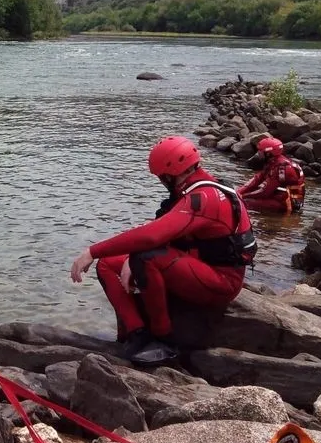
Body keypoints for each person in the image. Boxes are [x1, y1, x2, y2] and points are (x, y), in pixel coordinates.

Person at [70, 135, 258, 366]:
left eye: (161, 177)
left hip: (221, 282)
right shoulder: (202, 187)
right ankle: (137, 332)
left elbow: (151, 236)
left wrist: (92, 251)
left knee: (146, 257)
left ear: (170, 174)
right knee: (108, 264)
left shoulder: (204, 198)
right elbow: (161, 229)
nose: (161, 181)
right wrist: (125, 256)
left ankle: (163, 339)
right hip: (200, 265)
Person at [237, 137, 306, 214]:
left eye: (261, 152)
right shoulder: (273, 162)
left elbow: (264, 192)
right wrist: (238, 192)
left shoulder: (282, 168)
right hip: (281, 196)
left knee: (244, 202)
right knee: (244, 196)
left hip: (290, 203)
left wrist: (242, 196)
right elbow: (257, 179)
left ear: (268, 154)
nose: (258, 154)